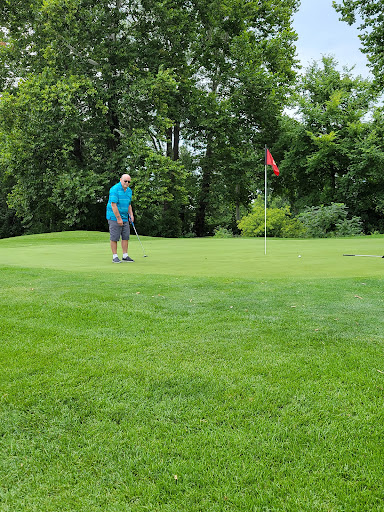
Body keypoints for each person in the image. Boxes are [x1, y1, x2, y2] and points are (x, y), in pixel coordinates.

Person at [106, 174, 135, 263]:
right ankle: (115, 256)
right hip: (114, 216)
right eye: (125, 181)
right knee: (115, 237)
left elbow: (129, 204)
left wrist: (131, 215)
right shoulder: (115, 189)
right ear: (120, 180)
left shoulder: (129, 191)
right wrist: (118, 218)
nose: (127, 183)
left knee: (125, 236)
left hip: (125, 216)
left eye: (128, 181)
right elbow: (113, 205)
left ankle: (125, 255)